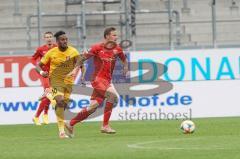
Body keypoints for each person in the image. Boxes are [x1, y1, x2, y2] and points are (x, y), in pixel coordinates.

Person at [65, 27, 129, 137]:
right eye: (114, 35)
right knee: (113, 97)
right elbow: (82, 58)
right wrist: (75, 70)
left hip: (107, 81)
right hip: (97, 79)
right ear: (107, 36)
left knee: (92, 107)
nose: (116, 37)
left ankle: (70, 124)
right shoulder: (97, 48)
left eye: (116, 35)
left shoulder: (117, 49)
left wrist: (125, 67)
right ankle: (105, 125)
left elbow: (123, 58)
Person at [35, 30, 82, 139]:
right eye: (62, 39)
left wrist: (76, 70)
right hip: (55, 81)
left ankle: (49, 95)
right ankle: (61, 132)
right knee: (60, 101)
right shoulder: (51, 52)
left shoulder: (73, 51)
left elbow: (80, 62)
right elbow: (38, 66)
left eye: (66, 39)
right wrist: (42, 72)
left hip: (68, 83)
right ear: (57, 41)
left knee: (61, 107)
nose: (65, 41)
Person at [32, 31, 57, 125]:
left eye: (50, 36)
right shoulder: (40, 49)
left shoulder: (56, 48)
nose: (49, 38)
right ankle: (42, 115)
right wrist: (38, 67)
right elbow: (33, 58)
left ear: (53, 38)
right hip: (45, 74)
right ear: (44, 39)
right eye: (47, 37)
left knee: (48, 96)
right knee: (49, 93)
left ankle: (38, 116)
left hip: (54, 74)